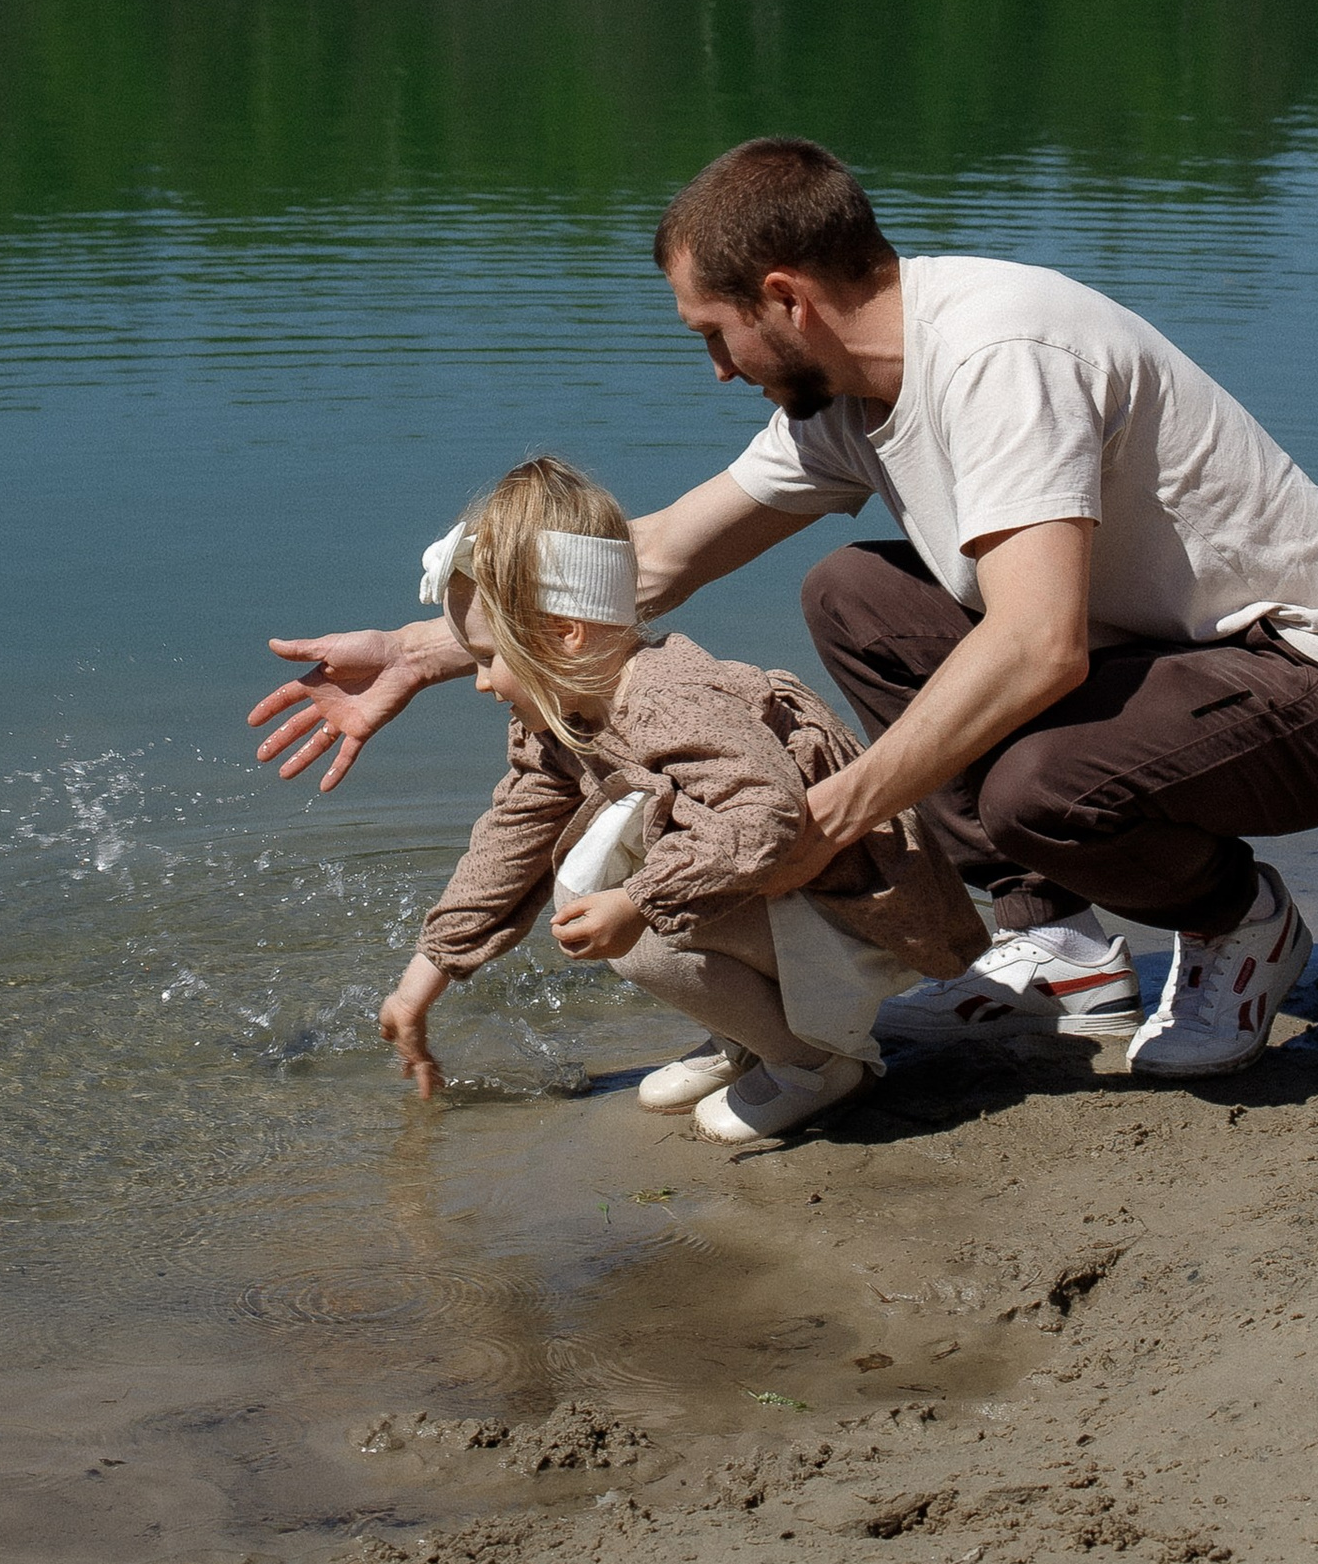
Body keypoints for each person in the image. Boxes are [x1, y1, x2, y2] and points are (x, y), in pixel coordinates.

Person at [254, 140, 1318, 1085]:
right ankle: (1059, 941)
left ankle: (1235, 925)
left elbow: (1035, 648)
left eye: (714, 335)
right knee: (854, 592)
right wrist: (427, 648)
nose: (716, 370)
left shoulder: (994, 355)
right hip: (1167, 673)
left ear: (784, 299)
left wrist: (823, 817)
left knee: (1034, 784)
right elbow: (653, 562)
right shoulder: (851, 394)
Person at [375, 455, 983, 1143]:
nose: (482, 682)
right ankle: (749, 1036)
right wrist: (423, 978)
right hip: (782, 896)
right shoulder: (562, 714)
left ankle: (821, 1064)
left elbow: (768, 816)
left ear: (565, 634)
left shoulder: (670, 699)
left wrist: (637, 904)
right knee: (619, 868)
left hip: (861, 910)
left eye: (488, 656)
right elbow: (509, 842)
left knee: (634, 926)